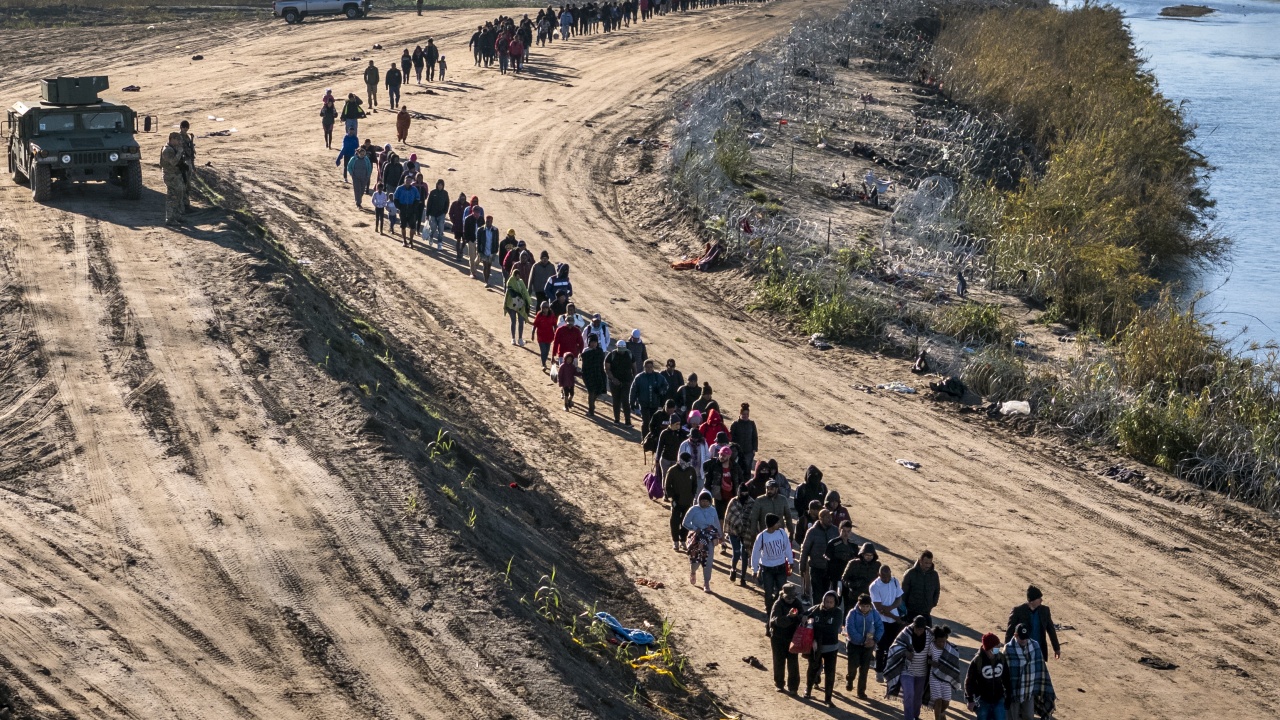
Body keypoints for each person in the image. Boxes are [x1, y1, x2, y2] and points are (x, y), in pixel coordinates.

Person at [885, 617, 932, 720]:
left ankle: (915, 716)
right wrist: (905, 652)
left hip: (922, 672)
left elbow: (937, 648)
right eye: (917, 629)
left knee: (918, 697)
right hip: (907, 670)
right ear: (913, 627)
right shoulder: (906, 633)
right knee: (909, 694)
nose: (919, 631)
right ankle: (909, 718)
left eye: (921, 629)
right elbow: (894, 647)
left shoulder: (930, 635)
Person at [751, 513, 794, 626]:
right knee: (768, 592)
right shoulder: (762, 536)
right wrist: (754, 569)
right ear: (771, 525)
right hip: (767, 568)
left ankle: (779, 611)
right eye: (777, 523)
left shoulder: (782, 533)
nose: (779, 524)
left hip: (780, 567)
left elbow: (787, 547)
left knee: (781, 591)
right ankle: (770, 613)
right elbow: (755, 553)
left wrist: (791, 561)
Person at [1004, 625, 1055, 720]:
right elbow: (1004, 672)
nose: (1024, 640)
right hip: (1013, 692)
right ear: (1015, 635)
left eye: (1026, 638)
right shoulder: (1008, 649)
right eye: (1021, 638)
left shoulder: (1035, 646)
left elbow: (1041, 667)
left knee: (1028, 716)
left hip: (1029, 690)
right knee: (1012, 717)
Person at [805, 590, 843, 706]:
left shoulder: (838, 613)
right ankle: (808, 690)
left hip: (831, 647)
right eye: (827, 601)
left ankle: (828, 698)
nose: (828, 604)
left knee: (830, 672)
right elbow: (805, 615)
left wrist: (814, 626)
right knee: (812, 668)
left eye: (831, 602)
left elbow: (832, 629)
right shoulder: (816, 609)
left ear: (835, 603)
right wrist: (806, 619)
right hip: (815, 646)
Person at [1005, 586, 1060, 663]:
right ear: (1032, 601)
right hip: (1022, 650)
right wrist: (1008, 650)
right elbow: (1010, 632)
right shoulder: (1018, 611)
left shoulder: (1045, 611)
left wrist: (1056, 648)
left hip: (1038, 650)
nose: (1041, 600)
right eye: (1039, 598)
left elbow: (1051, 630)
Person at [871, 564, 907, 680]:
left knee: (892, 647)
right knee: (881, 646)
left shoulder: (895, 581)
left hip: (894, 620)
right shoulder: (874, 587)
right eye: (884, 576)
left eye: (888, 576)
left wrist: (891, 608)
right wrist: (896, 618)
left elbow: (899, 599)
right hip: (881, 620)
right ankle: (879, 670)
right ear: (879, 575)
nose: (887, 579)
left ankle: (888, 669)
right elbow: (879, 608)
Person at [768, 582, 805, 694]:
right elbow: (777, 621)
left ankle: (793, 687)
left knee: (793, 662)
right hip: (778, 638)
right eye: (788, 597)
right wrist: (790, 617)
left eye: (793, 597)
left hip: (792, 637)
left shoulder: (797, 603)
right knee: (779, 661)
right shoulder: (777, 604)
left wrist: (801, 617)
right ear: (782, 595)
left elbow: (802, 617)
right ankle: (779, 684)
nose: (790, 600)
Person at [844, 593, 883, 699]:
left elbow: (880, 627)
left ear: (870, 605)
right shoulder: (852, 614)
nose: (865, 608)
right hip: (854, 645)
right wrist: (862, 641)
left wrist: (874, 640)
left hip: (868, 646)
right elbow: (850, 629)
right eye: (863, 606)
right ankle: (850, 679)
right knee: (853, 666)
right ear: (859, 604)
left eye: (867, 606)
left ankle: (861, 691)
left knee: (864, 669)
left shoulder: (874, 613)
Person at [966, 633, 1012, 720]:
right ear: (989, 648)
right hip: (983, 700)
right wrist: (970, 700)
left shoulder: (1001, 658)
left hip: (999, 699)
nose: (998, 649)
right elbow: (969, 682)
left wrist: (1009, 695)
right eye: (996, 647)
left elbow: (1006, 678)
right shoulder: (977, 661)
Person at [682, 491, 721, 592]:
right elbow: (685, 523)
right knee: (695, 559)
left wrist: (720, 536)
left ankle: (706, 582)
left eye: (706, 501)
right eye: (702, 501)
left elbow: (716, 524)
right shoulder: (693, 510)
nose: (704, 503)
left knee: (708, 560)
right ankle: (693, 571)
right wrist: (695, 528)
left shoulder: (713, 510)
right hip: (696, 538)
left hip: (709, 539)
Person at [799, 508, 839, 602]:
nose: (830, 519)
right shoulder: (812, 532)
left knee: (827, 593)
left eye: (830, 517)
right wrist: (802, 566)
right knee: (817, 593)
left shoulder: (835, 530)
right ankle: (816, 612)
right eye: (827, 517)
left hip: (830, 569)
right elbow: (805, 549)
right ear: (821, 518)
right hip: (816, 567)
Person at [723, 483, 755, 586]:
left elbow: (753, 518)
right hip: (734, 532)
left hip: (746, 532)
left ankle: (743, 577)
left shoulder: (752, 503)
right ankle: (733, 569)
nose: (744, 495)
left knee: (745, 555)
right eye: (742, 493)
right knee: (736, 553)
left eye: (746, 493)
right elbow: (728, 516)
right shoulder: (733, 502)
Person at [928, 626, 962, 720]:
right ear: (935, 639)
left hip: (946, 678)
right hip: (934, 676)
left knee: (946, 701)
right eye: (939, 641)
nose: (942, 643)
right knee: (938, 700)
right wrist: (931, 662)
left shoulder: (952, 648)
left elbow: (954, 663)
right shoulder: (931, 646)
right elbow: (927, 658)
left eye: (943, 641)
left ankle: (941, 713)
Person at [630, 359, 669, 440]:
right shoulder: (639, 377)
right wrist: (631, 402)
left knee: (654, 421)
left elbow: (666, 385)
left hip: (655, 404)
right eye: (647, 367)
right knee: (646, 422)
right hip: (643, 404)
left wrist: (661, 391)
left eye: (650, 367)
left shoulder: (658, 376)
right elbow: (633, 390)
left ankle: (654, 437)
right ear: (644, 367)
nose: (649, 369)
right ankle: (644, 438)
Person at [702, 446, 741, 521]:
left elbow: (741, 479)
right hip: (718, 496)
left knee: (730, 516)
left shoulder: (735, 466)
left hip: (732, 496)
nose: (721, 457)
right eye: (720, 454)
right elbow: (708, 480)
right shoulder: (714, 465)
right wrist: (708, 492)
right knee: (719, 517)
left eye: (724, 455)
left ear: (729, 456)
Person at [902, 551, 941, 625]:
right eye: (926, 563)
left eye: (930, 563)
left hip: (926, 612)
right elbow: (904, 593)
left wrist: (933, 603)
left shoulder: (934, 575)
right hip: (911, 612)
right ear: (920, 561)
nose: (928, 565)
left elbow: (937, 590)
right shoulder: (910, 573)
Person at [841, 542, 881, 612]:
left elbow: (881, 581)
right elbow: (844, 579)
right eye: (866, 555)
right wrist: (853, 584)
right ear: (862, 554)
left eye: (871, 555)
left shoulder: (877, 565)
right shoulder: (853, 563)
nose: (869, 557)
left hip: (870, 598)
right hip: (854, 597)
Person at [604, 340, 635, 425]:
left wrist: (634, 379)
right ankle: (616, 419)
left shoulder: (629, 354)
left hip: (627, 381)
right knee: (616, 400)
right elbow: (607, 369)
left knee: (625, 400)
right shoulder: (611, 355)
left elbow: (634, 368)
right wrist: (613, 379)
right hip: (614, 382)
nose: (621, 352)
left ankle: (627, 421)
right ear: (616, 347)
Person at [825, 520, 858, 599]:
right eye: (844, 531)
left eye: (848, 531)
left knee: (848, 600)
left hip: (849, 578)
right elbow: (827, 560)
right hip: (836, 577)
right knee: (836, 598)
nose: (846, 534)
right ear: (839, 530)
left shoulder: (853, 546)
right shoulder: (833, 544)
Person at [159, 132, 186, 226]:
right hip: (170, 176)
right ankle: (170, 218)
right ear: (172, 139)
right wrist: (179, 152)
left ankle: (176, 215)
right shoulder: (167, 150)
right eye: (178, 140)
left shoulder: (173, 148)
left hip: (175, 175)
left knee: (179, 194)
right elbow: (174, 162)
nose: (179, 142)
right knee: (172, 197)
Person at [580, 335, 608, 416]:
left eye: (595, 342)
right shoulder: (586, 351)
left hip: (598, 373)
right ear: (589, 343)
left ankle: (592, 405)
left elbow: (601, 362)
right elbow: (585, 363)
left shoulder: (600, 351)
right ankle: (591, 409)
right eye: (592, 342)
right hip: (588, 374)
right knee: (591, 392)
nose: (593, 344)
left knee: (599, 391)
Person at [503, 268, 532, 345]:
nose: (517, 277)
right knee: (513, 321)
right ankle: (513, 338)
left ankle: (520, 338)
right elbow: (510, 291)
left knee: (521, 321)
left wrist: (527, 302)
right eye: (516, 275)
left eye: (518, 275)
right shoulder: (510, 281)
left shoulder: (521, 282)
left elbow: (525, 292)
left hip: (520, 304)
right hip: (511, 303)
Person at [653, 413, 685, 480]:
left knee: (675, 479)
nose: (678, 426)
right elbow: (660, 447)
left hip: (676, 460)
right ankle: (664, 490)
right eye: (676, 424)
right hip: (665, 459)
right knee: (665, 478)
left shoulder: (681, 433)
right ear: (671, 424)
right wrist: (657, 460)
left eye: (679, 424)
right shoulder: (664, 433)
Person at [729, 403, 758, 475]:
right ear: (740, 414)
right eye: (744, 414)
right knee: (737, 469)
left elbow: (754, 436)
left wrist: (754, 449)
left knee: (747, 469)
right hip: (737, 452)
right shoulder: (735, 424)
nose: (745, 416)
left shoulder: (751, 424)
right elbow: (731, 437)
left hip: (749, 451)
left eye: (747, 414)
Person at [393, 176, 421, 247]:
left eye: (409, 180)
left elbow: (417, 198)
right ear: (404, 180)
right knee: (403, 226)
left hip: (411, 209)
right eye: (407, 180)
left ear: (411, 181)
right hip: (403, 209)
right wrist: (400, 207)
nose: (408, 181)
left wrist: (414, 207)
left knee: (413, 227)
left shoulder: (414, 189)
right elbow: (395, 198)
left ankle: (411, 241)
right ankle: (404, 240)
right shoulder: (399, 189)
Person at [423, 180, 450, 251]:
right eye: (439, 184)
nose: (440, 186)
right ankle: (431, 237)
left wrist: (445, 212)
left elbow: (447, 203)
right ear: (437, 185)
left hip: (441, 214)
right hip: (433, 214)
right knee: (433, 228)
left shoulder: (445, 193)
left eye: (441, 185)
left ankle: (439, 243)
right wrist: (427, 214)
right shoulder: (433, 193)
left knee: (441, 229)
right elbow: (429, 204)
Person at [475, 216, 501, 285]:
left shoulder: (495, 230)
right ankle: (486, 281)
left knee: (489, 266)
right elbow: (478, 241)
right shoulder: (480, 230)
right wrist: (478, 251)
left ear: (492, 222)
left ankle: (487, 279)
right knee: (485, 265)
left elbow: (496, 240)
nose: (487, 223)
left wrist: (496, 250)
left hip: (491, 251)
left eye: (489, 221)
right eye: (486, 221)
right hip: (483, 251)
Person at [533, 302, 557, 370]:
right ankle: (544, 364)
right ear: (541, 308)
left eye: (546, 308)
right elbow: (535, 324)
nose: (545, 309)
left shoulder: (551, 315)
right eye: (543, 308)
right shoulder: (539, 315)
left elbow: (554, 324)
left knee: (547, 351)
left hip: (549, 336)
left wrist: (556, 332)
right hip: (540, 335)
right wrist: (532, 333)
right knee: (543, 350)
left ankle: (544, 361)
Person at [178, 120, 196, 212]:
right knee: (183, 183)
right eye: (184, 127)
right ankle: (183, 205)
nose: (185, 129)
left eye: (186, 127)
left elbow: (191, 151)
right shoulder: (178, 137)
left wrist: (193, 165)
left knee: (188, 183)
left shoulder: (187, 137)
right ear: (181, 127)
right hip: (182, 163)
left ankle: (186, 204)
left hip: (188, 162)